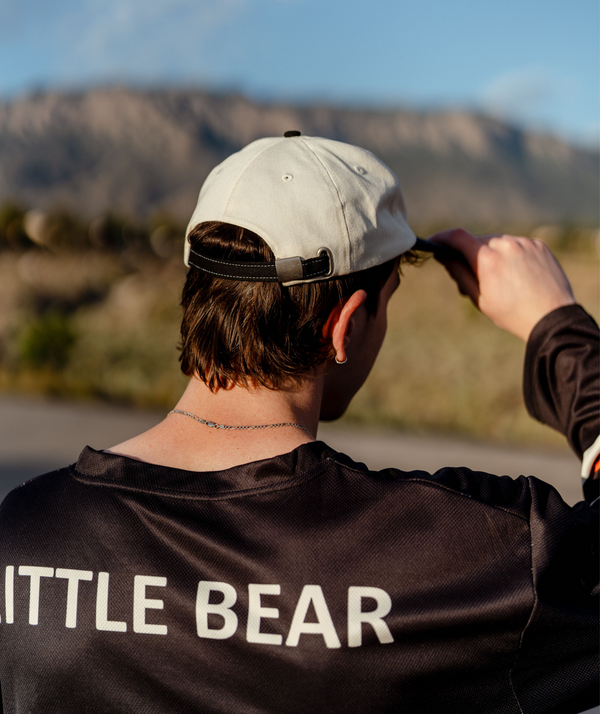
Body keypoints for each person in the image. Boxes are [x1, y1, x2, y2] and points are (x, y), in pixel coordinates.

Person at [0, 133, 597, 714]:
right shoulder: (461, 557)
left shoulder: (20, 536)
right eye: (389, 297)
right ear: (346, 325)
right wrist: (559, 330)